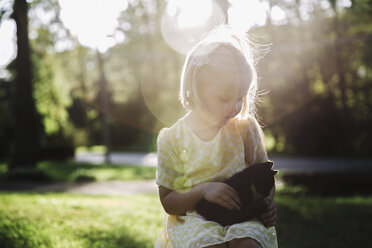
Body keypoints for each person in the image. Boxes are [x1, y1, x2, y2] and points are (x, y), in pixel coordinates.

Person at [155, 25, 278, 248]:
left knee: (248, 244)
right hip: (196, 219)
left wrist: (268, 202)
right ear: (196, 88)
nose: (235, 107)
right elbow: (168, 201)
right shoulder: (172, 139)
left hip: (244, 213)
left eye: (241, 97)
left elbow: (265, 175)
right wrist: (203, 190)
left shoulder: (245, 129)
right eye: (224, 98)